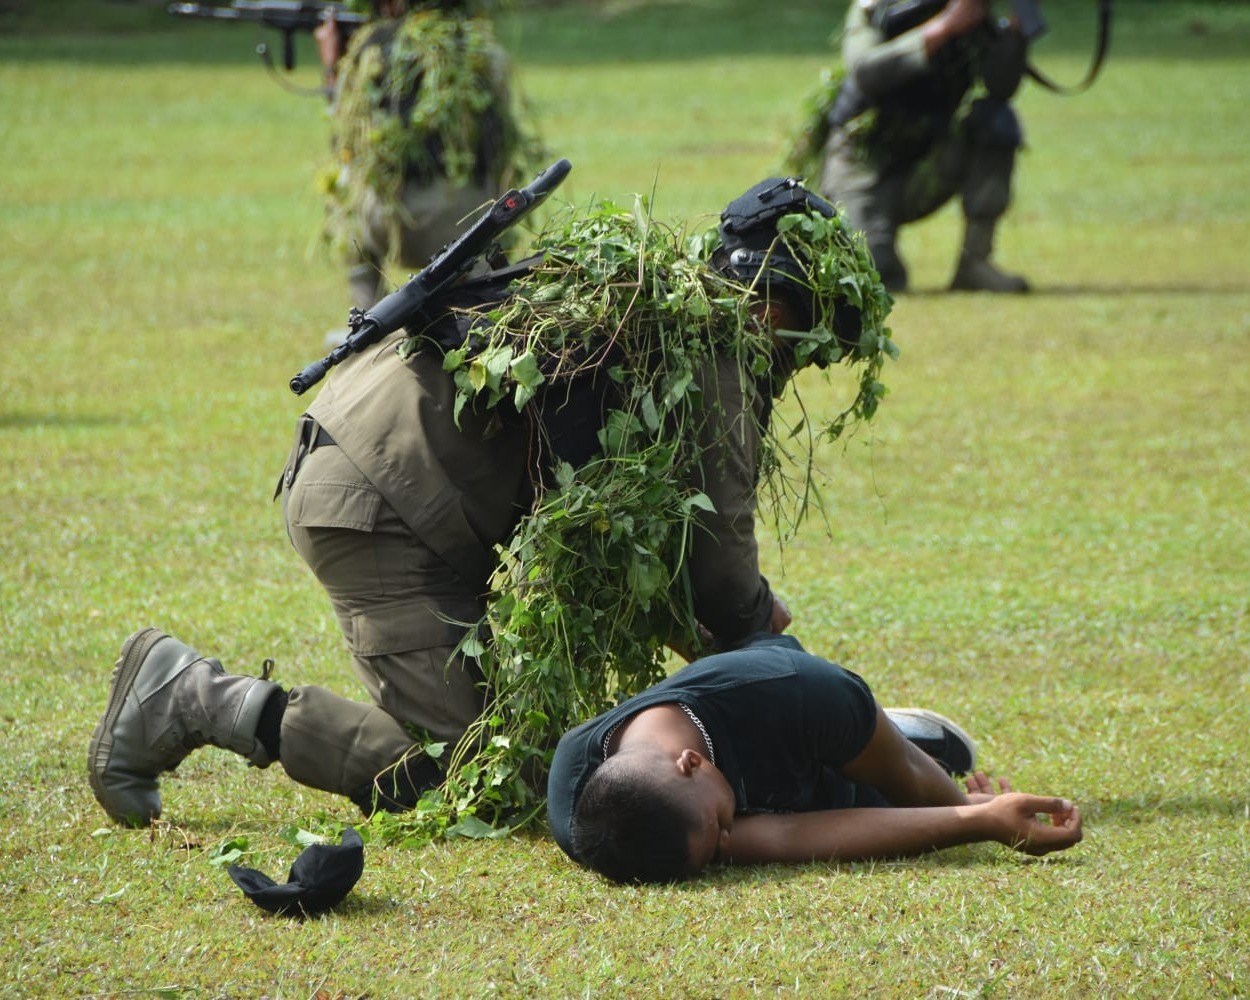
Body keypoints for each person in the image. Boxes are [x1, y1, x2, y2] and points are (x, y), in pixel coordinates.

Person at [86, 176, 882, 828]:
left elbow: (646, 547)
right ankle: (195, 698)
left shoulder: (656, 299)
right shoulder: (717, 353)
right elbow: (716, 569)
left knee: (531, 752)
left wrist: (738, 645)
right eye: (805, 341)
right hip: (383, 504)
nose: (796, 362)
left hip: (383, 468)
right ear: (775, 309)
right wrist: (784, 679)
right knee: (476, 778)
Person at [548, 632, 1082, 884]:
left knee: (898, 787)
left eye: (718, 831)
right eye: (715, 853)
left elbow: (909, 779)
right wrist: (980, 821)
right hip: (792, 747)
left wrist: (971, 808)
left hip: (814, 729)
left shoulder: (798, 694)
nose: (731, 844)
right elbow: (784, 838)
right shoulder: (593, 819)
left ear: (691, 762)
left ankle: (891, 729)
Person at [316, 0, 535, 313]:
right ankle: (488, 301)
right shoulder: (486, 53)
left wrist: (331, 68)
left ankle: (366, 320)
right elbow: (502, 149)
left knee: (345, 188)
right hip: (472, 232)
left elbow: (343, 139)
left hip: (396, 228)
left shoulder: (371, 52)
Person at [816, 0, 1036, 293]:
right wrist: (942, 29)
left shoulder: (970, 11)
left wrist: (1016, 32)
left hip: (926, 164)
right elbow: (866, 71)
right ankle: (876, 243)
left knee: (995, 121)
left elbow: (1000, 86)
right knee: (877, 274)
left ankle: (975, 264)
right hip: (862, 167)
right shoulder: (877, 7)